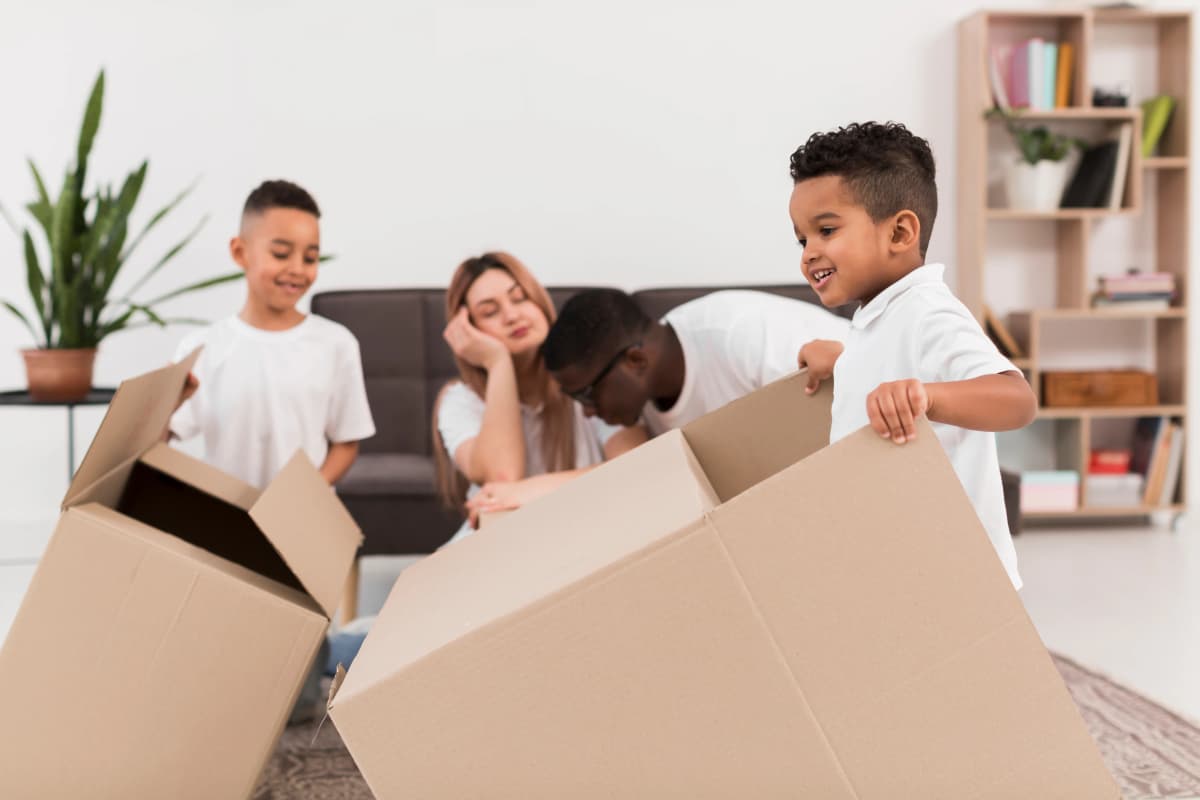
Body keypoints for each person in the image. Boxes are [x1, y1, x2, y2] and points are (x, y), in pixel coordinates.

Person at [790, 121, 1036, 590]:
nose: (809, 253)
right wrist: (842, 362)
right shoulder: (877, 317)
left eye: (825, 230)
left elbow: (1016, 399)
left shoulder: (929, 312)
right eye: (803, 239)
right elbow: (889, 369)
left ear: (900, 232)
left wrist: (927, 396)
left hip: (955, 574)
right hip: (901, 564)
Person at [168, 179, 376, 721]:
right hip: (228, 525)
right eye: (281, 252)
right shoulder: (203, 348)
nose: (298, 269)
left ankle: (331, 671)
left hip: (299, 522)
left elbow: (347, 441)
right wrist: (167, 405)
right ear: (240, 251)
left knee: (301, 680)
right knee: (229, 660)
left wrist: (309, 491)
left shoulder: (335, 344)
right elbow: (164, 438)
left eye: (310, 256)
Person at [434, 252, 646, 535]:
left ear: (539, 302)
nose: (512, 315)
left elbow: (637, 464)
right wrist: (498, 363)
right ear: (469, 330)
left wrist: (529, 492)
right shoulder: (459, 400)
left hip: (590, 531)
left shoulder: (592, 377)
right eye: (489, 312)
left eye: (520, 298)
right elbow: (502, 476)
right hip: (502, 543)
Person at [541, 288, 849, 434]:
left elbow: (860, 375)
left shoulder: (741, 336)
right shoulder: (639, 404)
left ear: (635, 361)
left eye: (586, 395)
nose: (587, 412)